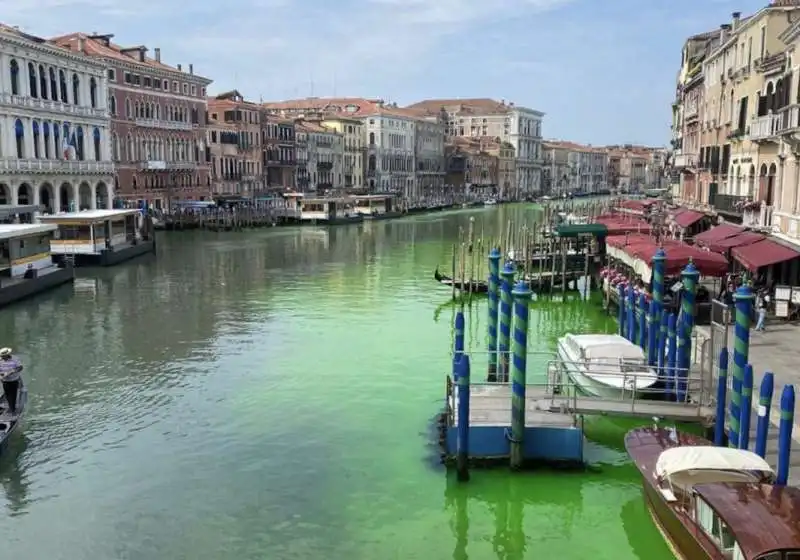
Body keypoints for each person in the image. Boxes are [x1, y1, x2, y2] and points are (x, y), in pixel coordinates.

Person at [0, 348, 22, 414]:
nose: (2, 357)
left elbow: (20, 367)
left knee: (13, 395)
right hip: (5, 380)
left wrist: (12, 371)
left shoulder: (15, 359)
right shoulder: (0, 360)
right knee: (7, 394)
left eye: (3, 356)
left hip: (14, 380)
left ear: (7, 355)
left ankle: (12, 409)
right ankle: (11, 407)